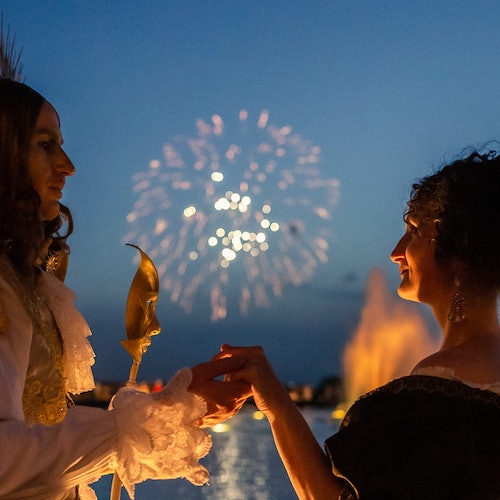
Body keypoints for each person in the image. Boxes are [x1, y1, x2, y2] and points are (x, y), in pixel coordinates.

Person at [0, 27, 250, 499]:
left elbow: (38, 423)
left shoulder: (24, 280)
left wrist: (169, 405)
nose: (68, 165)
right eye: (44, 144)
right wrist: (126, 433)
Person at [217, 150, 500, 499]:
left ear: (457, 248)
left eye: (413, 231)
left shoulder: (433, 398)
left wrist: (276, 407)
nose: (396, 252)